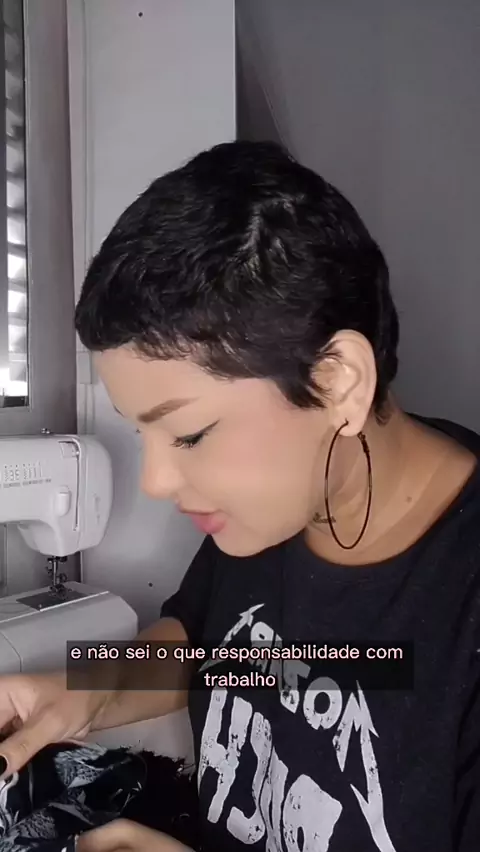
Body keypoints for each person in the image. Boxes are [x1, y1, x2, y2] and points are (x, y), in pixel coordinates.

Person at [0, 140, 478, 852]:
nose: (155, 481)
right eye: (141, 433)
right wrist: (82, 688)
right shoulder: (272, 512)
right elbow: (213, 647)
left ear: (337, 382)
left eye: (189, 435)